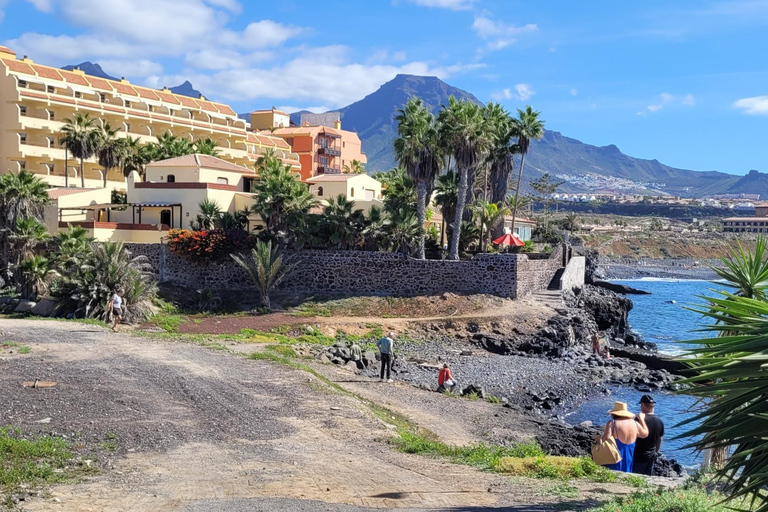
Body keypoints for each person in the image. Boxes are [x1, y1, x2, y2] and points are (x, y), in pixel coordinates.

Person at [600, 401, 646, 473]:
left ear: (614, 414)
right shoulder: (635, 423)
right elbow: (645, 434)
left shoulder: (612, 423)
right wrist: (642, 420)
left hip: (615, 457)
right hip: (629, 457)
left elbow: (606, 438)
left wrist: (598, 438)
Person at [633, 395, 664, 475]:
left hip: (638, 456)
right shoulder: (659, 421)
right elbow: (660, 439)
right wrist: (656, 452)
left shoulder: (638, 420)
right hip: (651, 456)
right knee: (647, 479)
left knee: (635, 478)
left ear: (643, 404)